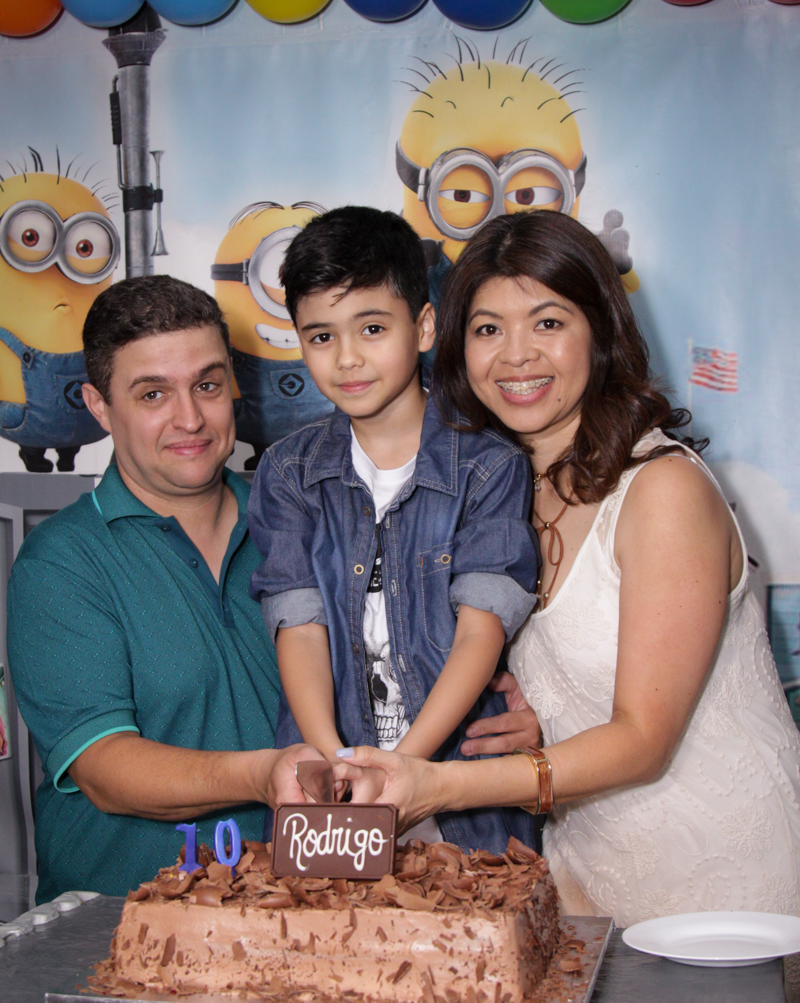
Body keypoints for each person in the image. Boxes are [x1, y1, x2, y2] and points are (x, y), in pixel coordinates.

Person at [332, 210, 800, 926]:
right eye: (488, 329)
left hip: (734, 896)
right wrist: (537, 727)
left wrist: (440, 785)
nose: (516, 356)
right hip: (586, 890)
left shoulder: (662, 490)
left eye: (547, 322)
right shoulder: (493, 494)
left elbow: (643, 737)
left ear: (601, 332)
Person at [6, 275, 323, 903]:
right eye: (153, 394)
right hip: (119, 931)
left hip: (303, 908)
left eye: (207, 385)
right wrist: (265, 773)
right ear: (99, 409)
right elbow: (106, 770)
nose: (190, 418)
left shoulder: (304, 524)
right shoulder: (62, 564)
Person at [247, 206, 543, 855]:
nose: (347, 358)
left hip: (458, 789)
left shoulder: (488, 465)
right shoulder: (288, 473)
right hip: (331, 788)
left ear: (424, 325)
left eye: (372, 327)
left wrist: (406, 768)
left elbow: (480, 635)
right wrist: (335, 763)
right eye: (321, 337)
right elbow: (298, 629)